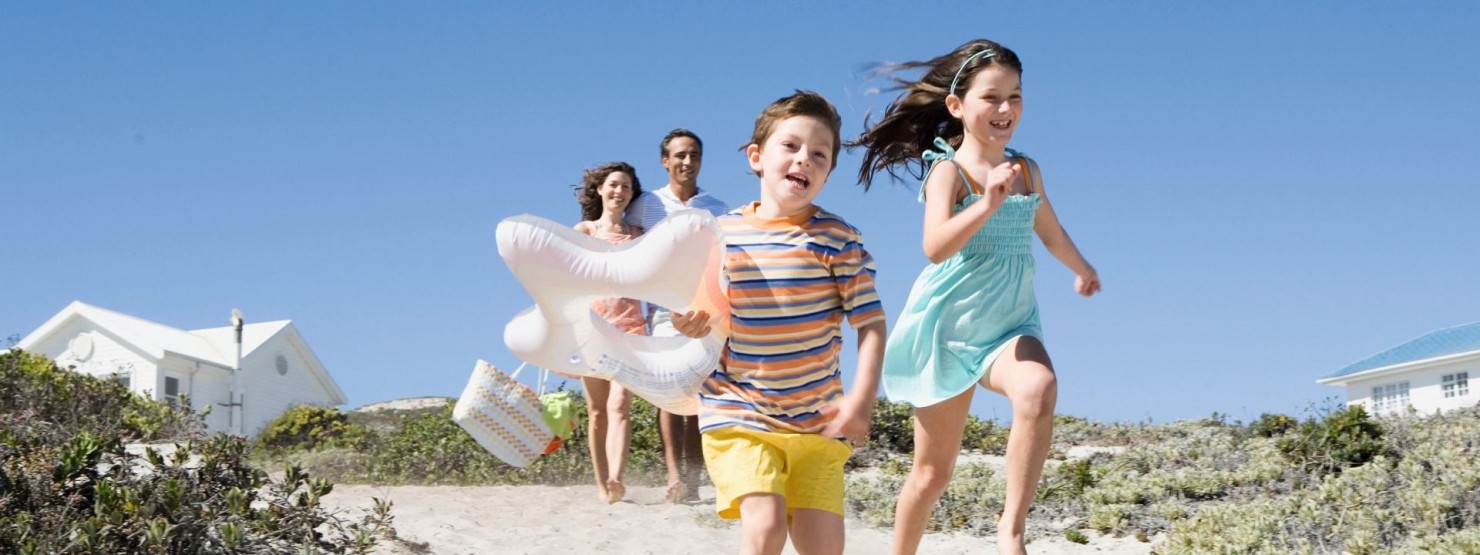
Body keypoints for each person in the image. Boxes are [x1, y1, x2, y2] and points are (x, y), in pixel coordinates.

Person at [849, 39, 1100, 555]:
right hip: (948, 331)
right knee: (931, 474)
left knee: (1038, 388)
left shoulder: (1027, 171)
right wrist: (986, 203)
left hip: (1009, 327)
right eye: (991, 97)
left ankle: (1011, 532)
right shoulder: (949, 172)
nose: (1005, 109)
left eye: (1015, 96)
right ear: (957, 106)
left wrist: (1082, 268)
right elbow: (934, 247)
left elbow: (1049, 232)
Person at [672, 90, 886, 555]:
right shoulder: (719, 234)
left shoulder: (837, 239)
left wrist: (862, 400)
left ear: (828, 171)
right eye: (790, 146)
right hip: (739, 411)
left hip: (819, 422)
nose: (804, 159)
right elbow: (700, 310)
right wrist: (690, 322)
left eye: (819, 154)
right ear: (756, 157)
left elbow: (870, 324)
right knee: (765, 529)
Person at [623, 128, 728, 503]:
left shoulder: (717, 208)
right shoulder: (647, 204)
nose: (687, 161)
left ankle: (695, 481)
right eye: (680, 155)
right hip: (663, 312)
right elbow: (616, 230)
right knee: (669, 393)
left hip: (705, 314)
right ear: (665, 160)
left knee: (700, 396)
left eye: (694, 154)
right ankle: (674, 479)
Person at [572, 161, 647, 504]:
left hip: (629, 327)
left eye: (626, 187)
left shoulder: (637, 236)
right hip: (592, 327)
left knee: (620, 404)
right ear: (600, 189)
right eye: (614, 185)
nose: (619, 191)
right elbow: (566, 275)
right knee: (598, 410)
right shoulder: (585, 231)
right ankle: (602, 486)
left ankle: (617, 477)